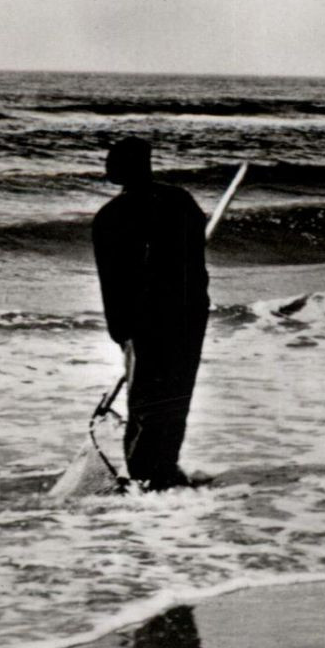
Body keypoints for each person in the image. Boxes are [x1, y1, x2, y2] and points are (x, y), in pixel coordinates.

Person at [92, 138, 209, 491]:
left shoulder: (111, 216)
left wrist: (120, 332)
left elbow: (111, 283)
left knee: (145, 399)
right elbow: (195, 260)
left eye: (112, 160)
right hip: (187, 315)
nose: (106, 166)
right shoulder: (180, 201)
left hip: (144, 322)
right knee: (174, 394)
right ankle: (164, 470)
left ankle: (144, 477)